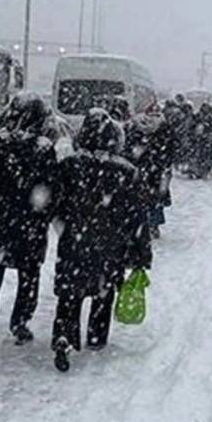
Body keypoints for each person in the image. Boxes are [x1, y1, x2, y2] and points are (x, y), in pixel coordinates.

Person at [0, 93, 59, 371]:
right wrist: (44, 214)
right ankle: (20, 321)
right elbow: (51, 190)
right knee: (29, 276)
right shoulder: (43, 149)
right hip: (28, 226)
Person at [51, 109, 152, 372]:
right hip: (110, 244)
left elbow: (55, 203)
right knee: (102, 292)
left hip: (74, 241)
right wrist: (142, 253)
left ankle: (64, 336)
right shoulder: (126, 172)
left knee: (69, 294)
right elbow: (138, 217)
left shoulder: (70, 166)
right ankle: (96, 337)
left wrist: (64, 223)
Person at [124, 104, 176, 239]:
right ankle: (153, 225)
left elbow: (129, 147)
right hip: (158, 169)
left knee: (140, 196)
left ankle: (142, 224)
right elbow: (171, 148)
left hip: (141, 167)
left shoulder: (137, 126)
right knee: (156, 198)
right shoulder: (165, 127)